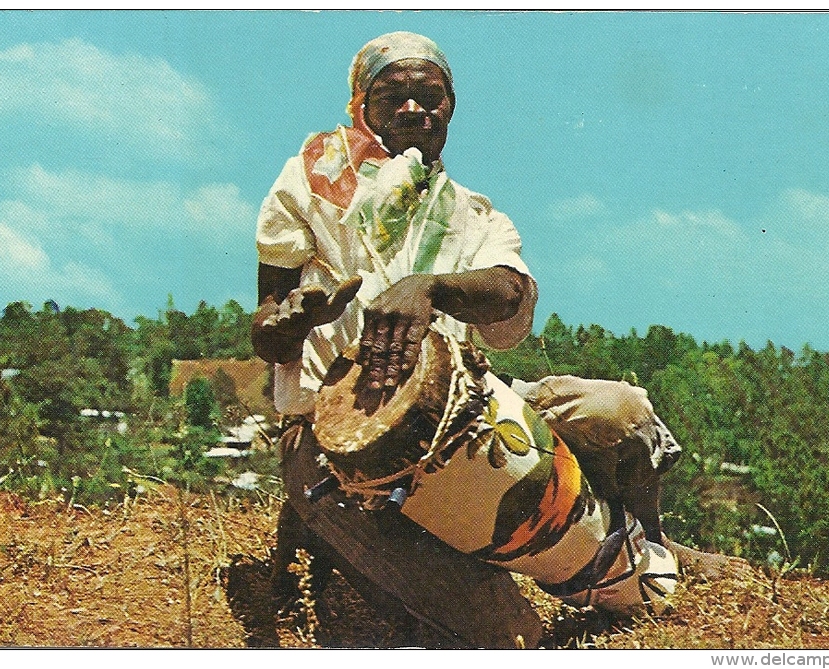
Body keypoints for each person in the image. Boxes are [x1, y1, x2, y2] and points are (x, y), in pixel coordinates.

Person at [251, 31, 744, 647]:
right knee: (508, 633)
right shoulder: (312, 181)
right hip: (338, 449)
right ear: (361, 107)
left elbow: (510, 293)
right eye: (391, 96)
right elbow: (266, 327)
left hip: (470, 408)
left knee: (621, 411)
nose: (412, 110)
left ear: (450, 110)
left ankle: (652, 543)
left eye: (429, 97)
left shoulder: (473, 215)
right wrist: (289, 323)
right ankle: (325, 527)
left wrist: (430, 287)